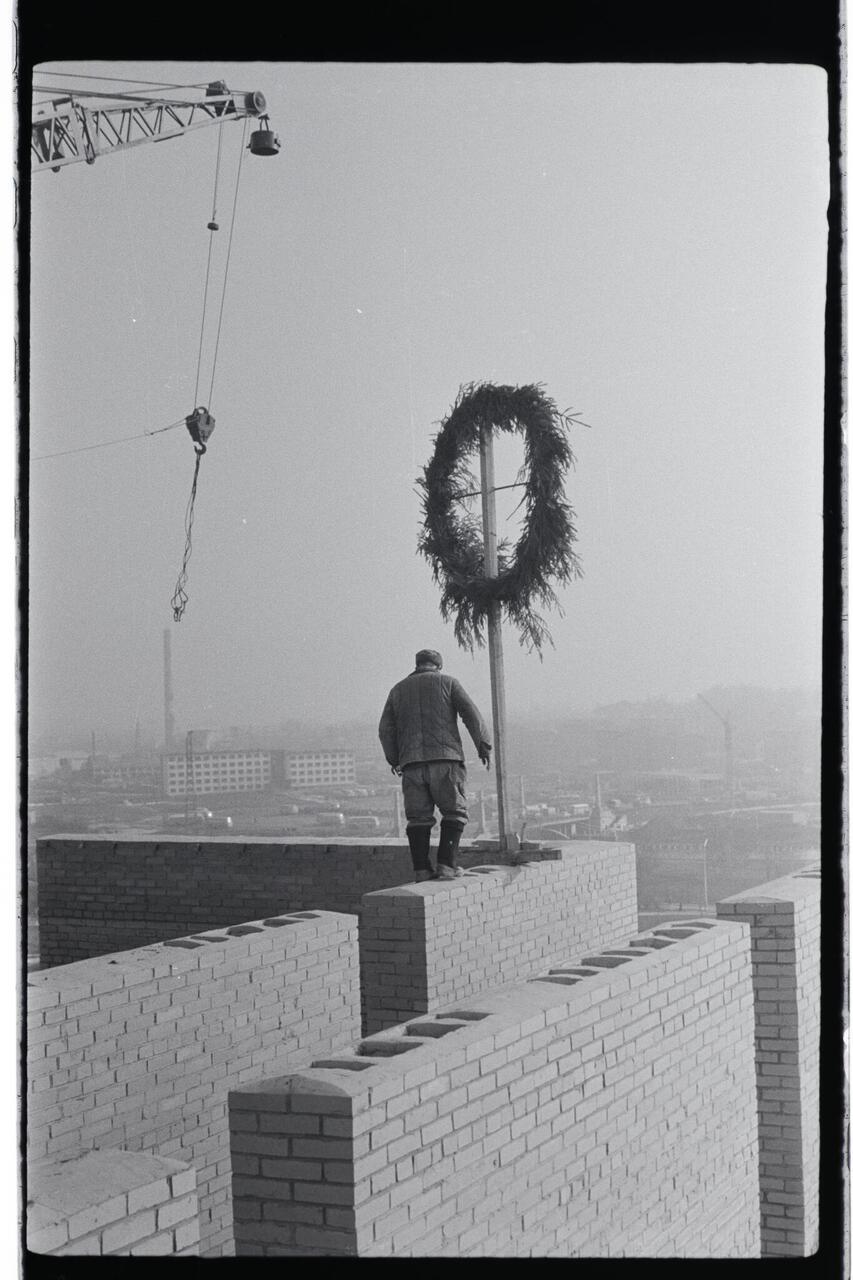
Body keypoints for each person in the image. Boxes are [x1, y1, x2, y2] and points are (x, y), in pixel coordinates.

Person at [379, 648, 492, 881]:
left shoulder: (397, 690)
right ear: (438, 666)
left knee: (418, 819)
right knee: (454, 812)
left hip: (411, 765)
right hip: (446, 761)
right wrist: (483, 745)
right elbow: (471, 714)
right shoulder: (448, 683)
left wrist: (395, 759)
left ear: (417, 665)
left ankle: (421, 870)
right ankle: (446, 866)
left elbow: (385, 730)